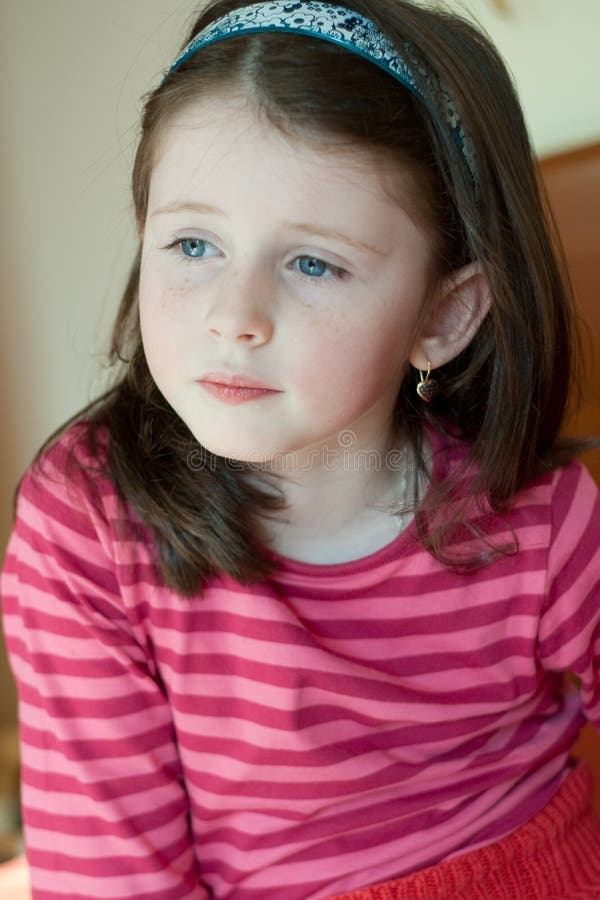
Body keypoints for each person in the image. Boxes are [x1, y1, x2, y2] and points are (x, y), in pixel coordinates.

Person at [1, 0, 600, 897]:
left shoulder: (542, 519)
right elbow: (111, 877)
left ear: (442, 315)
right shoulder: (87, 523)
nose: (234, 317)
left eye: (312, 263)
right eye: (193, 244)